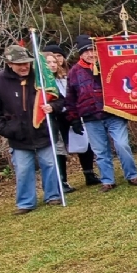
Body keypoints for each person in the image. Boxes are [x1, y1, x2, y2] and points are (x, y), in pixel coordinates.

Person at [0, 44, 63, 213]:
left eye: (26, 62)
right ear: (9, 63)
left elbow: (58, 99)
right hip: (18, 136)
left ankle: (53, 195)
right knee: (24, 170)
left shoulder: (41, 76)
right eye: (19, 64)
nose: (24, 66)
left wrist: (53, 107)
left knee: (50, 164)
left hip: (43, 130)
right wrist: (6, 129)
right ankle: (26, 203)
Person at [64, 35, 137, 192]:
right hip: (90, 116)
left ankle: (132, 175)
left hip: (114, 113)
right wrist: (73, 118)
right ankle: (108, 180)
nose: (91, 54)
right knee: (100, 151)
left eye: (93, 50)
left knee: (122, 145)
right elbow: (70, 97)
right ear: (81, 54)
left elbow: (122, 84)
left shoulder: (107, 65)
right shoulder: (74, 72)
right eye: (87, 51)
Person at [43, 44, 98, 191]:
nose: (55, 62)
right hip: (56, 117)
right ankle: (62, 181)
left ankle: (89, 173)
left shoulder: (67, 74)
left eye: (58, 57)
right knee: (59, 148)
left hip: (72, 113)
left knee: (84, 143)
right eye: (50, 61)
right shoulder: (43, 81)